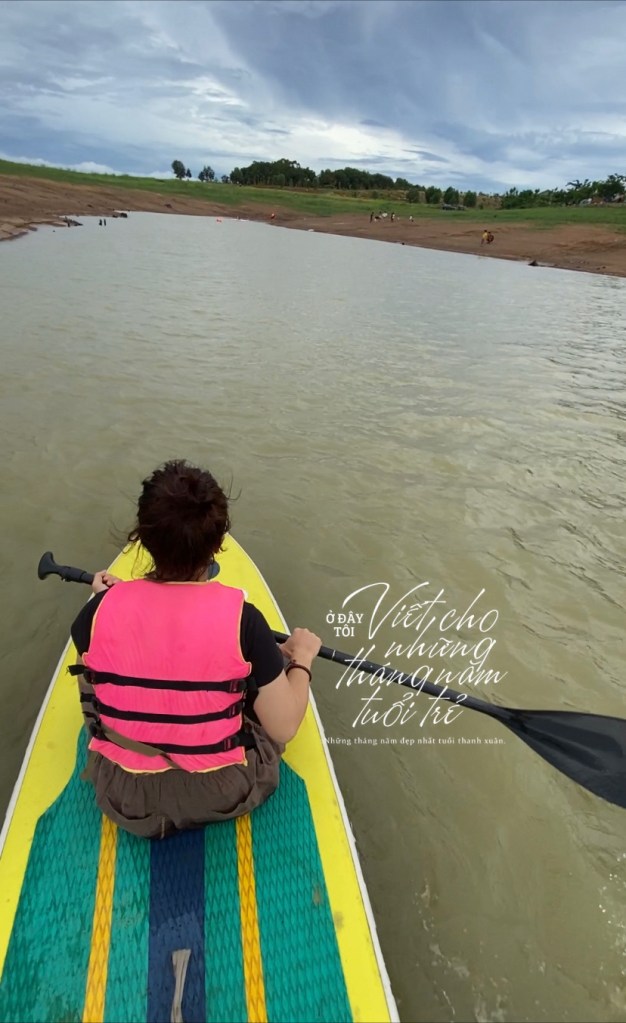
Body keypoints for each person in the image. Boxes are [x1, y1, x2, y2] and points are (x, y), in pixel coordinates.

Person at [70, 459, 321, 839]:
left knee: (90, 665)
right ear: (218, 545)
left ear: (142, 538)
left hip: (122, 792)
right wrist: (301, 657)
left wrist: (108, 603)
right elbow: (284, 727)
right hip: (219, 791)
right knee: (261, 696)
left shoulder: (93, 614)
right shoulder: (246, 622)